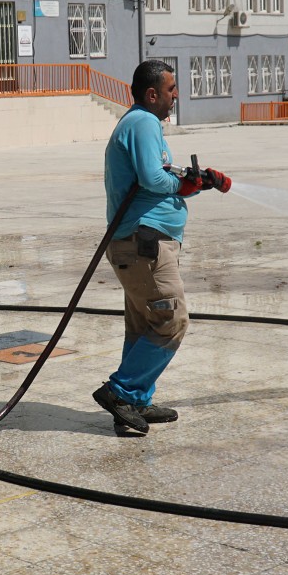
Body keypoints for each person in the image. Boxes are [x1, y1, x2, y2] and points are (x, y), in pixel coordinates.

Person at [92, 60, 228, 436]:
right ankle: (121, 392)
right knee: (171, 320)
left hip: (140, 244)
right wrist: (181, 186)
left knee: (143, 326)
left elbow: (159, 173)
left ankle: (134, 402)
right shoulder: (143, 123)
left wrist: (195, 180)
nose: (175, 97)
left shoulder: (142, 125)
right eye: (171, 90)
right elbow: (153, 178)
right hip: (142, 244)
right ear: (152, 94)